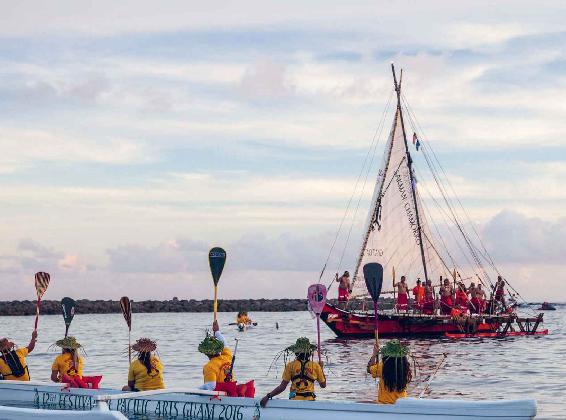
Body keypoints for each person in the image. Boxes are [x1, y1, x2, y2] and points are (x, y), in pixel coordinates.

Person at [260, 337, 326, 407]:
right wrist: (321, 369)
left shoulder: (291, 365)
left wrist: (268, 396)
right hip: (310, 401)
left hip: (294, 401)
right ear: (309, 353)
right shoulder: (315, 366)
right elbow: (323, 385)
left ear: (296, 353)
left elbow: (282, 388)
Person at [367, 339, 412, 404]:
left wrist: (374, 354)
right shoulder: (405, 367)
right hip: (401, 404)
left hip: (384, 404)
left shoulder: (382, 367)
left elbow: (369, 369)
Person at [198, 320, 234, 390]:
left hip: (218, 398)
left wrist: (195, 390)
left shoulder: (209, 367)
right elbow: (225, 344)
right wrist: (217, 332)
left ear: (206, 353)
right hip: (230, 392)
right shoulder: (227, 357)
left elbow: (211, 387)